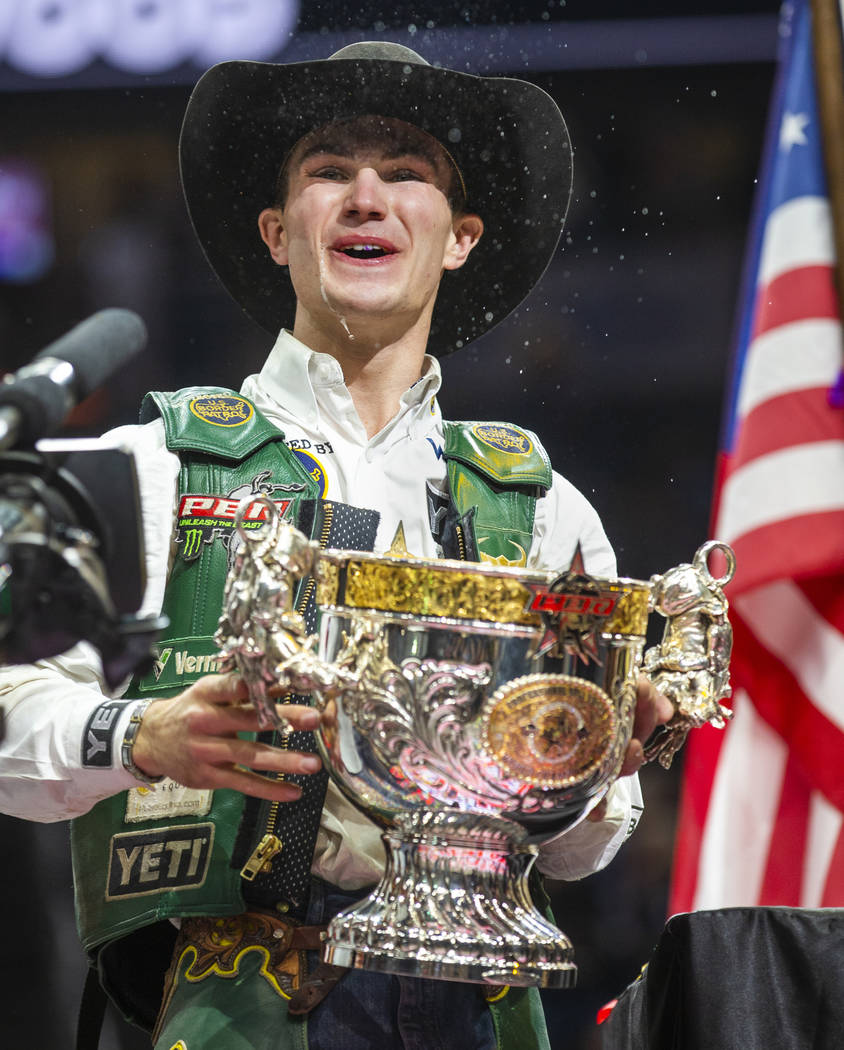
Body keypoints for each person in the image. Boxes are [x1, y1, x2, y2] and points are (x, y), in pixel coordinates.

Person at [0, 41, 672, 1050]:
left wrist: (581, 763)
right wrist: (146, 737)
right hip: (231, 998)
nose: (366, 196)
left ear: (458, 238)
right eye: (328, 172)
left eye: (405, 173)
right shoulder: (153, 465)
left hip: (480, 1000)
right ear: (278, 232)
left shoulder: (541, 509)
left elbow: (583, 852)